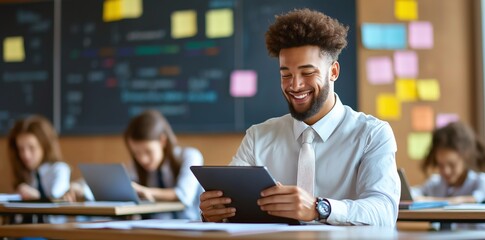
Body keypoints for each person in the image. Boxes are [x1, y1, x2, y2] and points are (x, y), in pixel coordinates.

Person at [199, 8, 399, 227]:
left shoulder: (372, 134)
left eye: (307, 73)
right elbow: (231, 204)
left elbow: (384, 211)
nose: (295, 85)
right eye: (286, 75)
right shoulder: (258, 137)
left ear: (333, 71)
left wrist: (318, 208)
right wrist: (215, 212)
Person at [124, 110, 203, 220]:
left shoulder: (190, 156)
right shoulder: (135, 165)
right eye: (136, 153)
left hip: (191, 226)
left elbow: (184, 195)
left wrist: (147, 192)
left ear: (162, 141)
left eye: (148, 151)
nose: (143, 159)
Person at [7, 115, 71, 224]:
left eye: (31, 148)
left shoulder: (59, 170)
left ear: (44, 146)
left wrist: (37, 197)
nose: (25, 155)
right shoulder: (27, 174)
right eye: (21, 149)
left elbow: (57, 203)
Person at [411, 121, 485, 204]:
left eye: (452, 165)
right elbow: (413, 193)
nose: (446, 171)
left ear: (465, 157)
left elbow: (478, 197)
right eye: (440, 165)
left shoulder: (480, 181)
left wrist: (430, 200)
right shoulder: (434, 184)